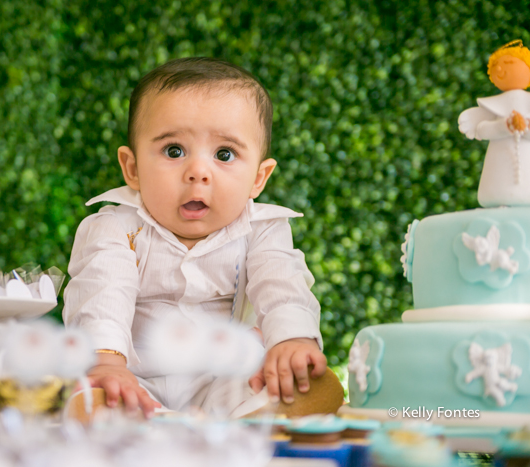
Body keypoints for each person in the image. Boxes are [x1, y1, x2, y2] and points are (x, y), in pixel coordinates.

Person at [63, 57, 330, 419]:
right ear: (133, 168)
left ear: (258, 178)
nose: (197, 172)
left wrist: (292, 340)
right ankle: (133, 416)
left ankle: (255, 416)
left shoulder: (262, 229)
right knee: (102, 396)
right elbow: (102, 295)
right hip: (134, 378)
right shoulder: (114, 226)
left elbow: (282, 287)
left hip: (221, 379)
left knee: (267, 381)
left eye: (225, 154)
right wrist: (105, 361)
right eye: (174, 151)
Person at [459, 40, 530, 207]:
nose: (501, 69)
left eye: (508, 63)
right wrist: (505, 126)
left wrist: (528, 126)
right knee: (498, 186)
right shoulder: (493, 106)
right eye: (497, 65)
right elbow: (482, 130)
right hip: (499, 163)